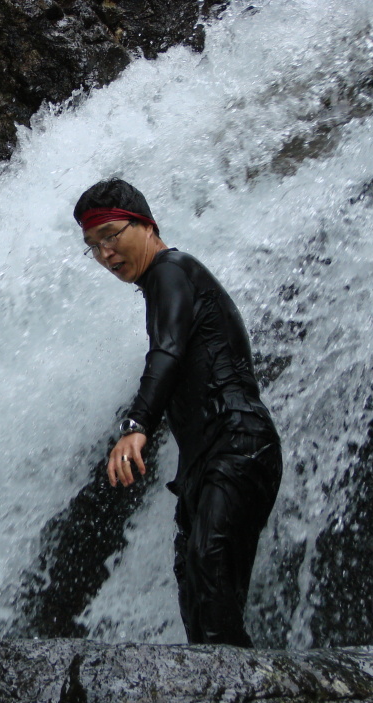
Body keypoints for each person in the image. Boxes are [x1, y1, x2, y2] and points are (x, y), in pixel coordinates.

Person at [74, 178, 282, 647]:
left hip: (238, 441)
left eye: (111, 236)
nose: (105, 254)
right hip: (208, 457)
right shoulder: (160, 285)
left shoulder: (172, 269)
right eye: (93, 245)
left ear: (146, 225)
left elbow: (166, 352)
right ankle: (228, 696)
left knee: (208, 565)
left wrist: (136, 426)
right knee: (197, 588)